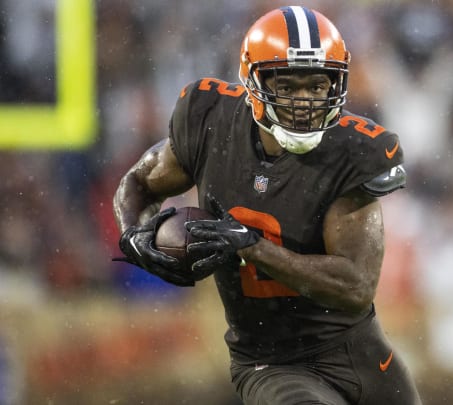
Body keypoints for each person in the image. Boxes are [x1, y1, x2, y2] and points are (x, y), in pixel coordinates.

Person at [112, 6, 421, 405]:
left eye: (317, 85)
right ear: (253, 81)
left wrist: (250, 247)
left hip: (356, 349)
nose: (305, 101)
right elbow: (140, 181)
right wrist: (134, 233)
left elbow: (354, 285)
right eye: (289, 86)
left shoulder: (354, 152)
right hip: (271, 362)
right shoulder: (210, 122)